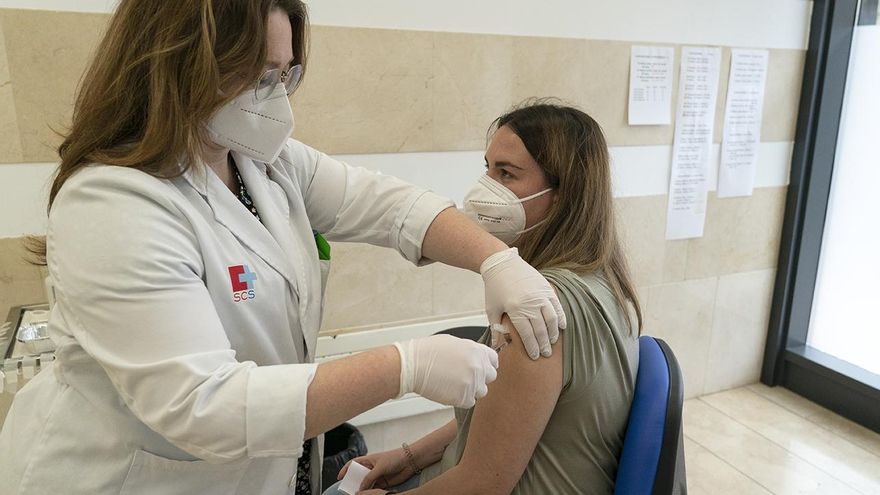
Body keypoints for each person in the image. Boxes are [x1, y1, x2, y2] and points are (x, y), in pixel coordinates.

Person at [0, 2, 568, 495]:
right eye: (256, 74)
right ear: (179, 65)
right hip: (130, 476)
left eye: (284, 73)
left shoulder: (259, 160)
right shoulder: (112, 201)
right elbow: (204, 406)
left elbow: (391, 205)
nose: (273, 95)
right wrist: (405, 367)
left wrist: (496, 260)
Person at [327, 101, 642, 495]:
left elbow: (480, 486)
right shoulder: (603, 277)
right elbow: (502, 420)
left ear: (563, 195)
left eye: (506, 174)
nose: (484, 189)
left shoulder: (539, 310)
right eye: (488, 168)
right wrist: (408, 457)